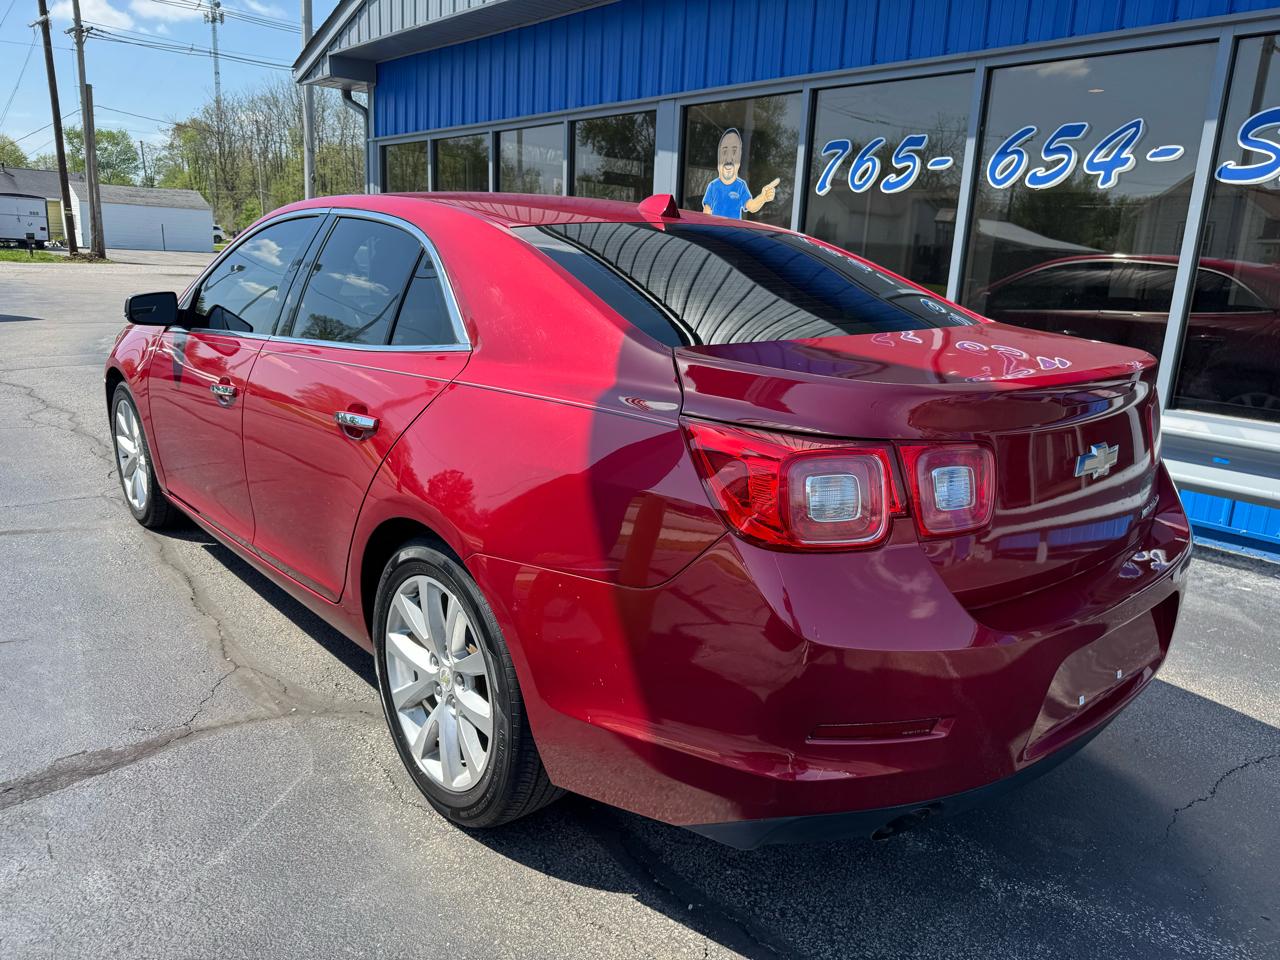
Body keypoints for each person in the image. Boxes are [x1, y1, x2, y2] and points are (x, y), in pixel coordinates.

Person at [701, 128, 780, 220]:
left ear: (739, 157)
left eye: (734, 151)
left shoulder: (740, 186)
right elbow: (706, 212)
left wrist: (763, 198)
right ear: (719, 156)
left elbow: (751, 206)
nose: (729, 159)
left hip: (734, 233)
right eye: (725, 151)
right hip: (716, 232)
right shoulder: (713, 186)